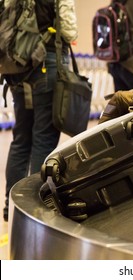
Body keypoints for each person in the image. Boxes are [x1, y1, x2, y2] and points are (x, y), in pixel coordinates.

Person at [3, 0, 78, 222]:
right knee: (43, 139)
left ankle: (12, 206)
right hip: (47, 63)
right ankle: (33, 208)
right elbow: (69, 30)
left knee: (21, 139)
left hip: (17, 66)